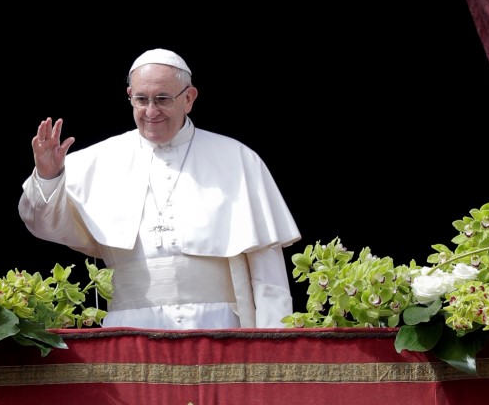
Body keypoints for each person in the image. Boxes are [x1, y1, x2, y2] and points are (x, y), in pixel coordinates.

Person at [18, 47, 301, 329]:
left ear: (188, 98)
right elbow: (44, 226)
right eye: (141, 100)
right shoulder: (98, 160)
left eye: (162, 99)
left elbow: (269, 276)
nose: (151, 111)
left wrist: (273, 344)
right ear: (129, 96)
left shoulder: (237, 159)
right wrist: (49, 175)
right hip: (129, 330)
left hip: (218, 328)